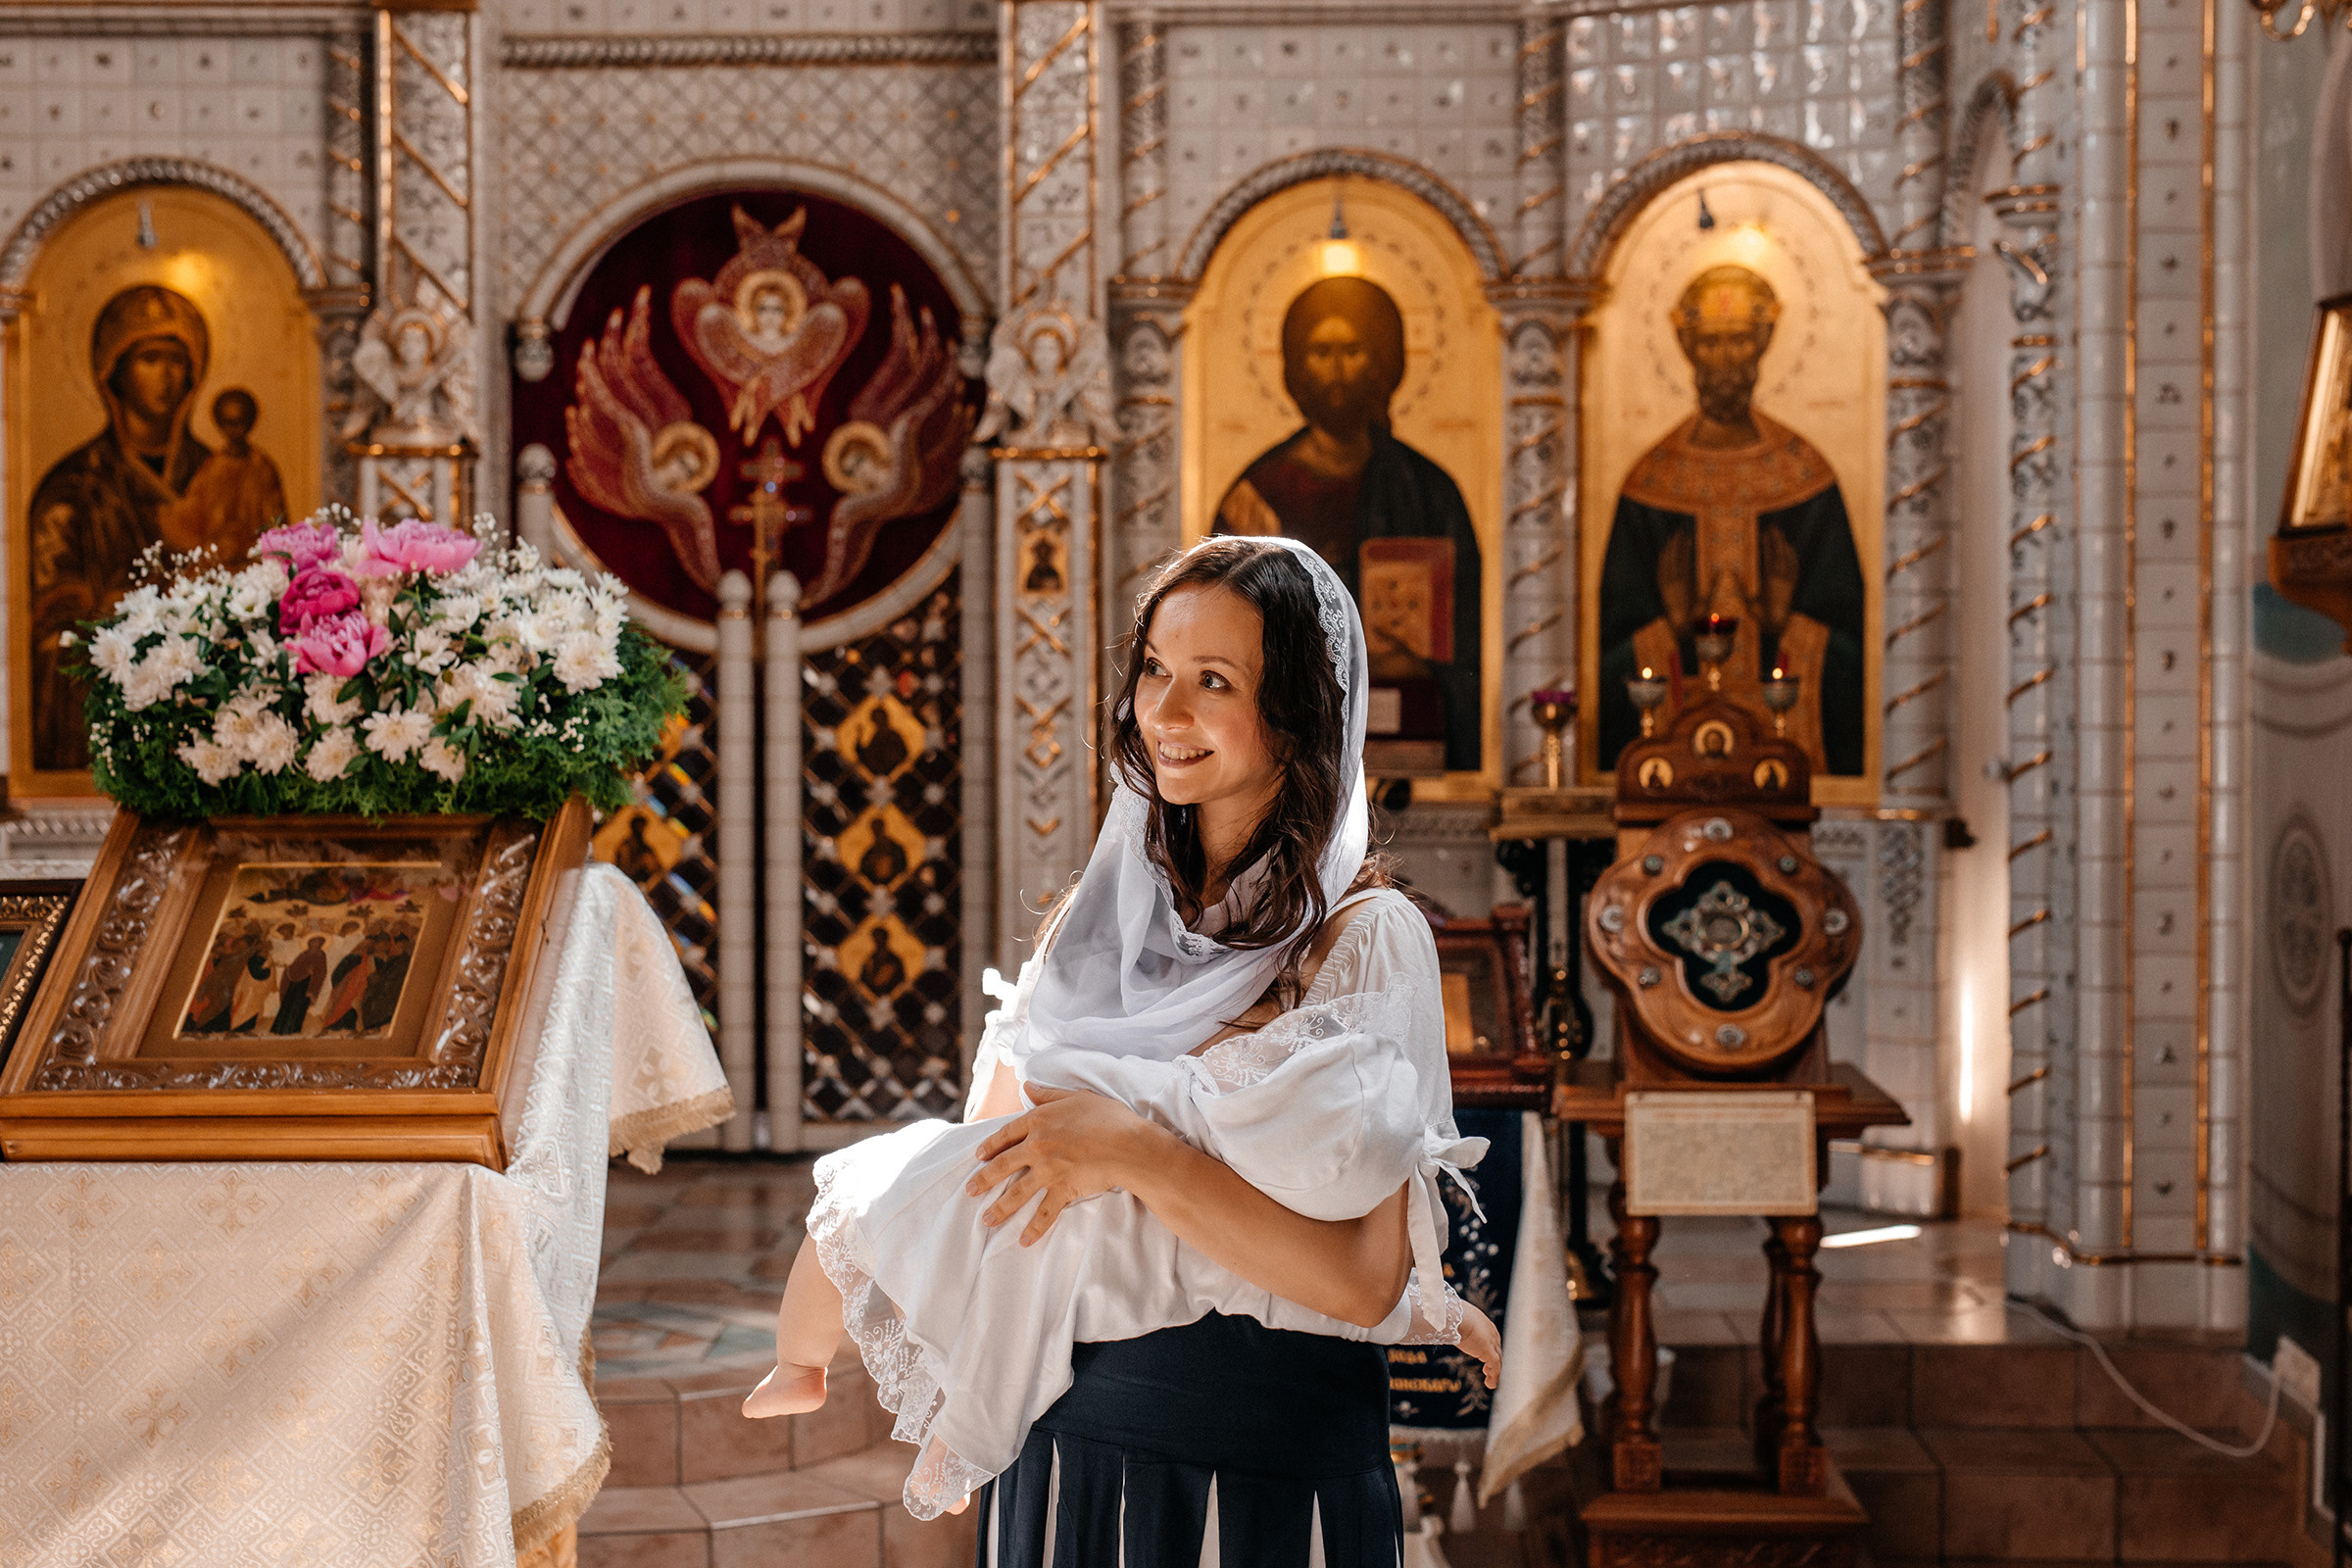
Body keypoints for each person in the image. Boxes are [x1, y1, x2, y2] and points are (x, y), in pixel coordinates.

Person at [747, 537, 1494, 1557]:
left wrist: (1135, 1152)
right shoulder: (1096, 927)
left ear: (1300, 716)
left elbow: (1365, 1281)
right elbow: (1000, 1179)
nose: (1167, 713)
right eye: (1155, 670)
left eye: (1214, 681)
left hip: (1264, 1469)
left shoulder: (1360, 939)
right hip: (1069, 1454)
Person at [1595, 266, 1867, 775]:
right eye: (1711, 342)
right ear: (1688, 348)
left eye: (1740, 340)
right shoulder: (1651, 480)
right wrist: (1669, 630)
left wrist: (1788, 626)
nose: (1726, 360)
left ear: (1762, 345)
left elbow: (1856, 646)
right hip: (1672, 757)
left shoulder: (1805, 473)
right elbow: (1607, 652)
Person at [1215, 276, 1484, 772]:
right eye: (1320, 351)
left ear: (1382, 362)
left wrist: (1419, 663)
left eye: (1353, 350)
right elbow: (1223, 637)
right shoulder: (1260, 494)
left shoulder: (1428, 491)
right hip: (1296, 750)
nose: (1336, 370)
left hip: (1412, 741)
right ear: (1295, 367)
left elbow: (1471, 641)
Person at [26, 284, 214, 771]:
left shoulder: (227, 480)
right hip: (111, 722)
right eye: (150, 358)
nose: (167, 376)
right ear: (114, 372)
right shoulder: (72, 491)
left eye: (178, 360)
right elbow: (52, 632)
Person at [168, 387, 287, 563]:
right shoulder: (210, 469)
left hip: (255, 563)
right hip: (215, 561)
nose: (234, 430)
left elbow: (276, 523)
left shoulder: (263, 469)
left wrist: (248, 548)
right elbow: (192, 517)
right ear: (220, 424)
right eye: (228, 423)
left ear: (250, 422)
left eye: (240, 422)